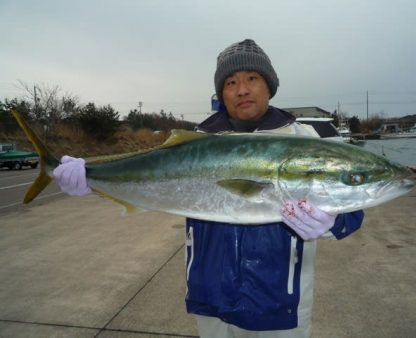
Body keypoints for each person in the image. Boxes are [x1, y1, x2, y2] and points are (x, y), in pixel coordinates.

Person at [53, 39, 364, 338]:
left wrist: (333, 222)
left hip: (280, 303)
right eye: (230, 83)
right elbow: (149, 180)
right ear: (221, 92)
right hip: (212, 300)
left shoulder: (304, 139)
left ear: (269, 84)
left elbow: (355, 203)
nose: (241, 89)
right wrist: (92, 178)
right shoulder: (198, 141)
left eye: (252, 78)